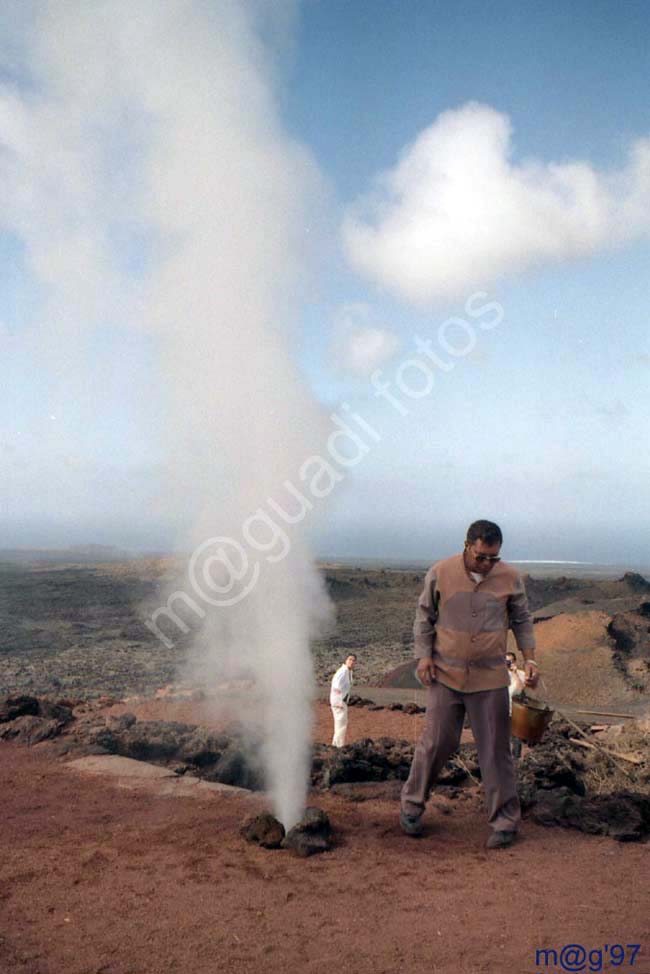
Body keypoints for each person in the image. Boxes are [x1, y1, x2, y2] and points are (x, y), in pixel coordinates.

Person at [400, 520, 540, 849]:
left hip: (490, 678)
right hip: (445, 675)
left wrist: (530, 659)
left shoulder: (510, 578)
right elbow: (424, 618)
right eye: (481, 557)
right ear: (467, 546)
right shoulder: (440, 573)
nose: (487, 564)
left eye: (493, 558)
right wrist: (424, 657)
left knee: (495, 749)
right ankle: (411, 807)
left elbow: (521, 619)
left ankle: (505, 822)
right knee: (436, 742)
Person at [330, 654, 357, 747]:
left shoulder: (348, 671)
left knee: (340, 723)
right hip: (339, 701)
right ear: (345, 661)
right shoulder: (343, 671)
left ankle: (336, 744)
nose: (352, 662)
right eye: (350, 659)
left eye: (353, 660)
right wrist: (339, 701)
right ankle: (338, 745)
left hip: (341, 701)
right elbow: (336, 684)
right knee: (341, 723)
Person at [506, 651, 526, 759]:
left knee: (516, 738)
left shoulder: (521, 674)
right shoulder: (499, 675)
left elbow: (520, 689)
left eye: (510, 661)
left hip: (516, 711)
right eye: (506, 661)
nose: (508, 663)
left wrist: (514, 673)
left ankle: (516, 760)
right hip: (501, 710)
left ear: (515, 662)